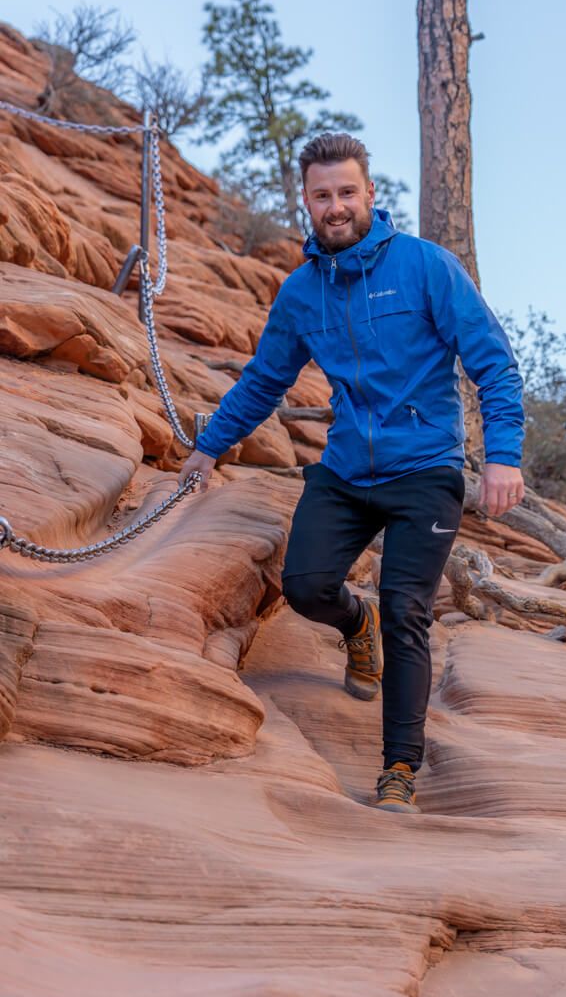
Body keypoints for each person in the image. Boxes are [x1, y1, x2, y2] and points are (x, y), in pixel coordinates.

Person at [180, 132, 525, 813]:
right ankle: (352, 626)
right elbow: (262, 381)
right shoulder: (302, 293)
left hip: (425, 468)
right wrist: (207, 447)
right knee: (305, 585)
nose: (335, 206)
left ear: (370, 193)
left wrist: (505, 457)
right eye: (322, 195)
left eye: (346, 192)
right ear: (305, 201)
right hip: (345, 469)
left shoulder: (426, 267)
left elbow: (493, 362)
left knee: (408, 611)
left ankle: (399, 768)